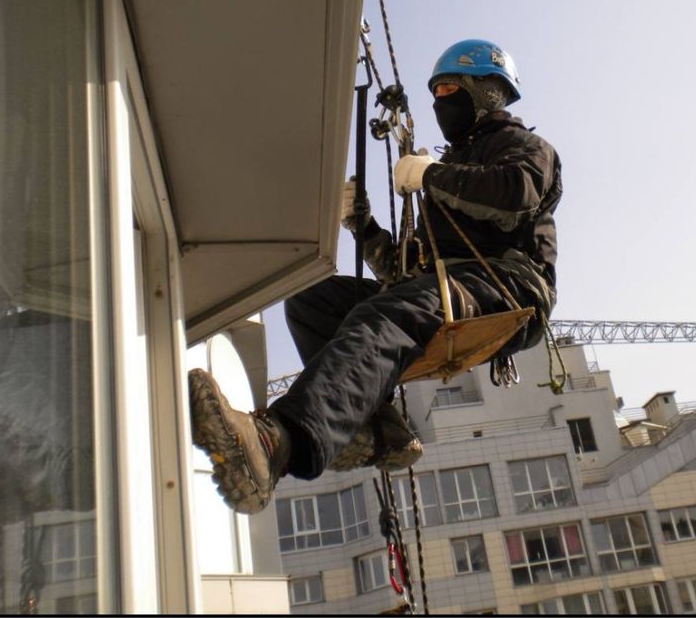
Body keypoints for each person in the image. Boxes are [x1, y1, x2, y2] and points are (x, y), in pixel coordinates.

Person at [189, 39, 562, 514]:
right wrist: (362, 226)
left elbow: (515, 195)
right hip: (451, 288)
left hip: (508, 288)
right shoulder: (452, 169)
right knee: (312, 298)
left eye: (449, 89)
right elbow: (403, 275)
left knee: (389, 314)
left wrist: (431, 176)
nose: (440, 101)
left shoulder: (525, 148)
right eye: (436, 93)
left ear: (486, 91)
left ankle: (276, 444)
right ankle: (379, 430)